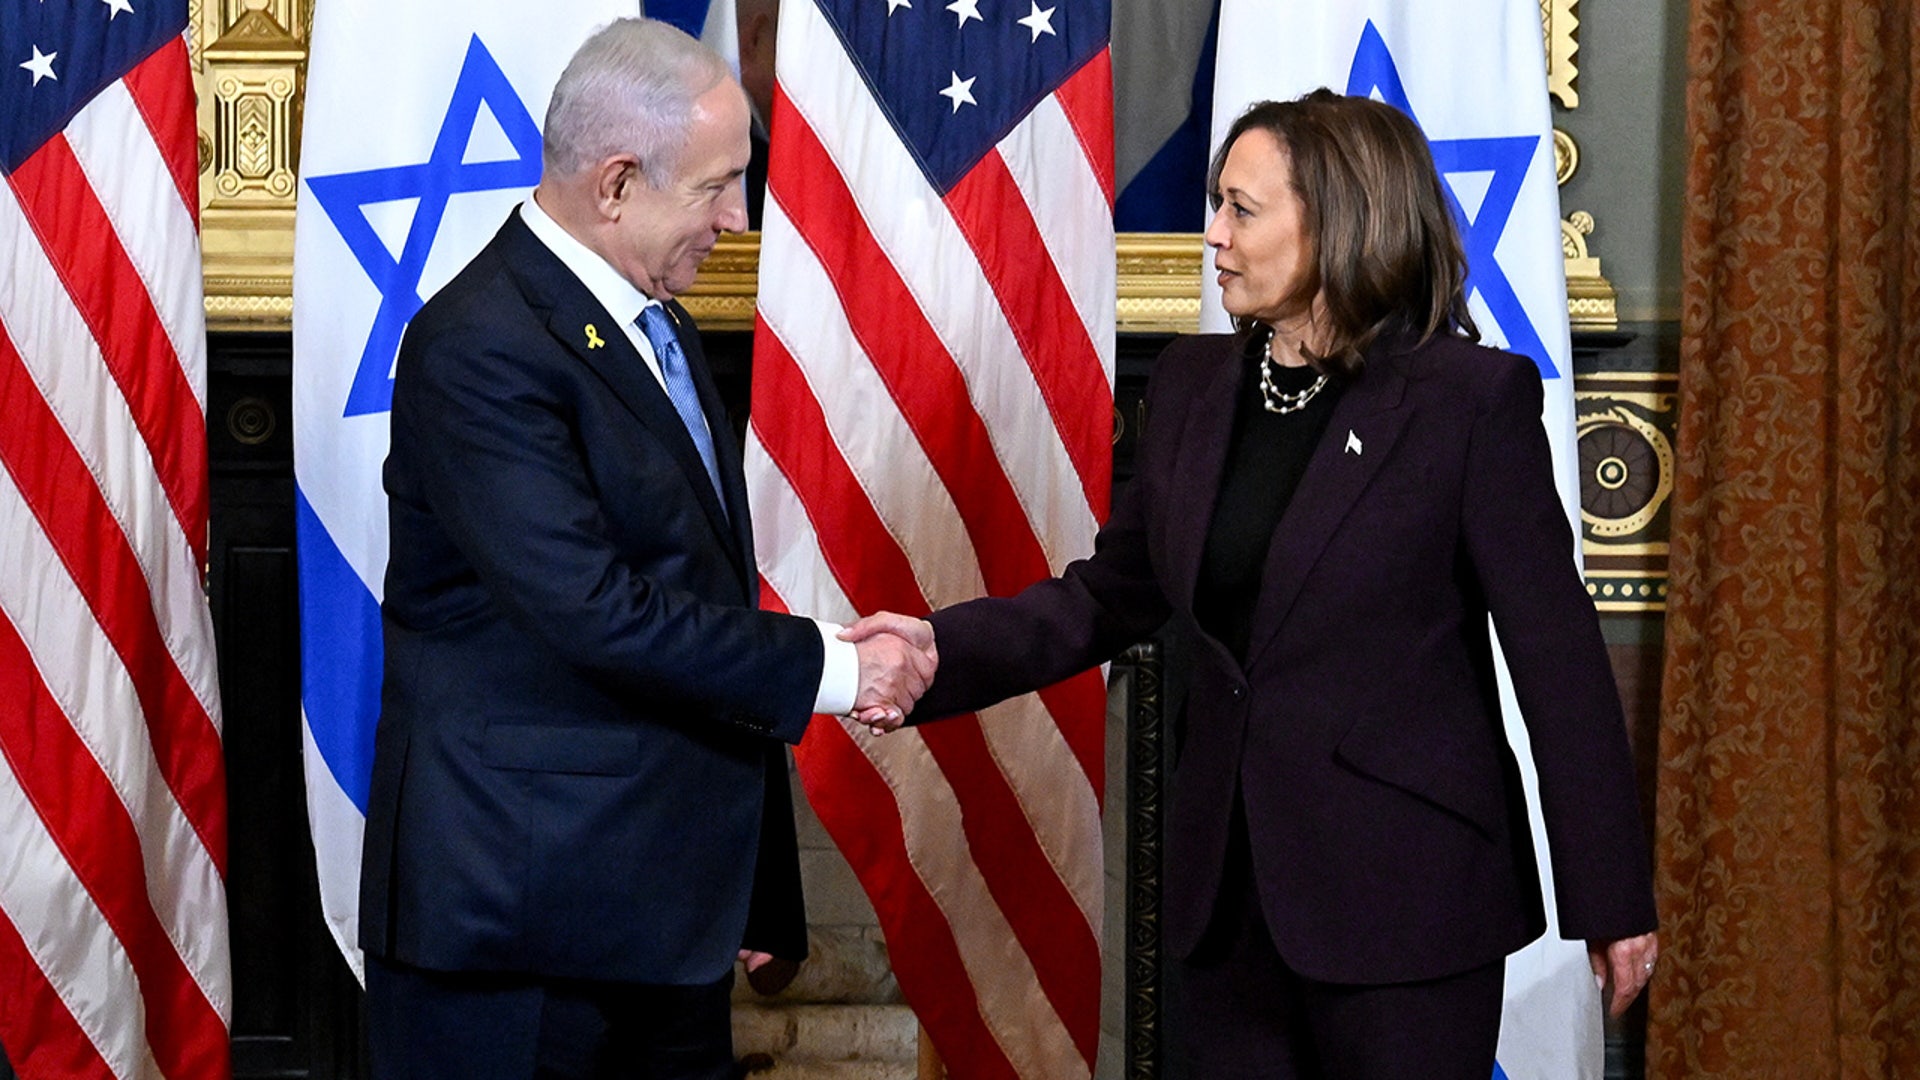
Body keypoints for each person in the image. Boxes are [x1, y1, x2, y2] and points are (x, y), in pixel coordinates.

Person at [848, 89, 1659, 1078]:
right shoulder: (1193, 386)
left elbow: (1558, 661)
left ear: (1336, 219)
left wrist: (1610, 901)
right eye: (1216, 205)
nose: (1212, 235)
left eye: (1242, 208)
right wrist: (939, 649)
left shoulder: (1465, 405)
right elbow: (1112, 593)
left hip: (1405, 911)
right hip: (1226, 905)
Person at [360, 19, 931, 1080]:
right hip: (520, 940)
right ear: (616, 182)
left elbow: (690, 587)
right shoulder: (481, 345)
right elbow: (601, 613)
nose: (737, 217)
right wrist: (841, 667)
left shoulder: (647, 318)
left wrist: (755, 884)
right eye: (718, 186)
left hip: (656, 923)